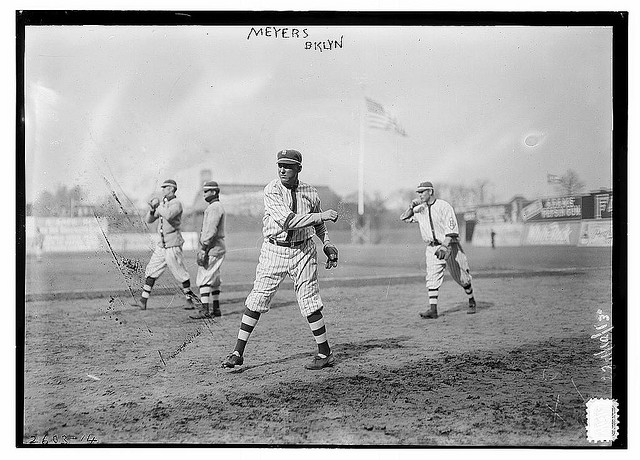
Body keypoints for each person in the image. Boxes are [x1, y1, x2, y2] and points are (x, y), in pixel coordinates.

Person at [222, 149, 339, 370]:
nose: (282, 170)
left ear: (299, 169)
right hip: (274, 250)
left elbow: (318, 225)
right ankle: (237, 352)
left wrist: (327, 243)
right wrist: (321, 216)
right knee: (258, 298)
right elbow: (288, 221)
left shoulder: (311, 192)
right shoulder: (272, 189)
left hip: (303, 250)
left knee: (310, 300)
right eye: (280, 165)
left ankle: (325, 354)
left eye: (288, 166)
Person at [401, 181, 477, 318]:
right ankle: (433, 310)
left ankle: (471, 300)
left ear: (430, 191)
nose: (420, 194)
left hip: (449, 245)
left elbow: (452, 229)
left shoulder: (444, 206)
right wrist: (411, 207)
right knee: (432, 277)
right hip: (431, 247)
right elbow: (405, 218)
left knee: (462, 277)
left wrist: (445, 245)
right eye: (418, 192)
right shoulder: (420, 208)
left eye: (422, 191)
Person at [134, 179, 200, 310]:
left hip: (173, 244)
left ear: (171, 188)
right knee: (151, 270)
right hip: (162, 245)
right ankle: (143, 301)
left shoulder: (176, 203)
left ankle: (189, 300)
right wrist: (153, 209)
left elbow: (169, 215)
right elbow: (149, 220)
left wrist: (158, 206)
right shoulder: (164, 204)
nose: (163, 190)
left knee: (181, 273)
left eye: (165, 187)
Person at [189, 180, 226, 319]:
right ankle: (216, 309)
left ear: (214, 192)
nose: (204, 194)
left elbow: (210, 230)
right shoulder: (216, 206)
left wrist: (204, 248)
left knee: (204, 277)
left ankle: (205, 310)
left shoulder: (214, 207)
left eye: (206, 191)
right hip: (218, 247)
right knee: (215, 278)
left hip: (212, 247)